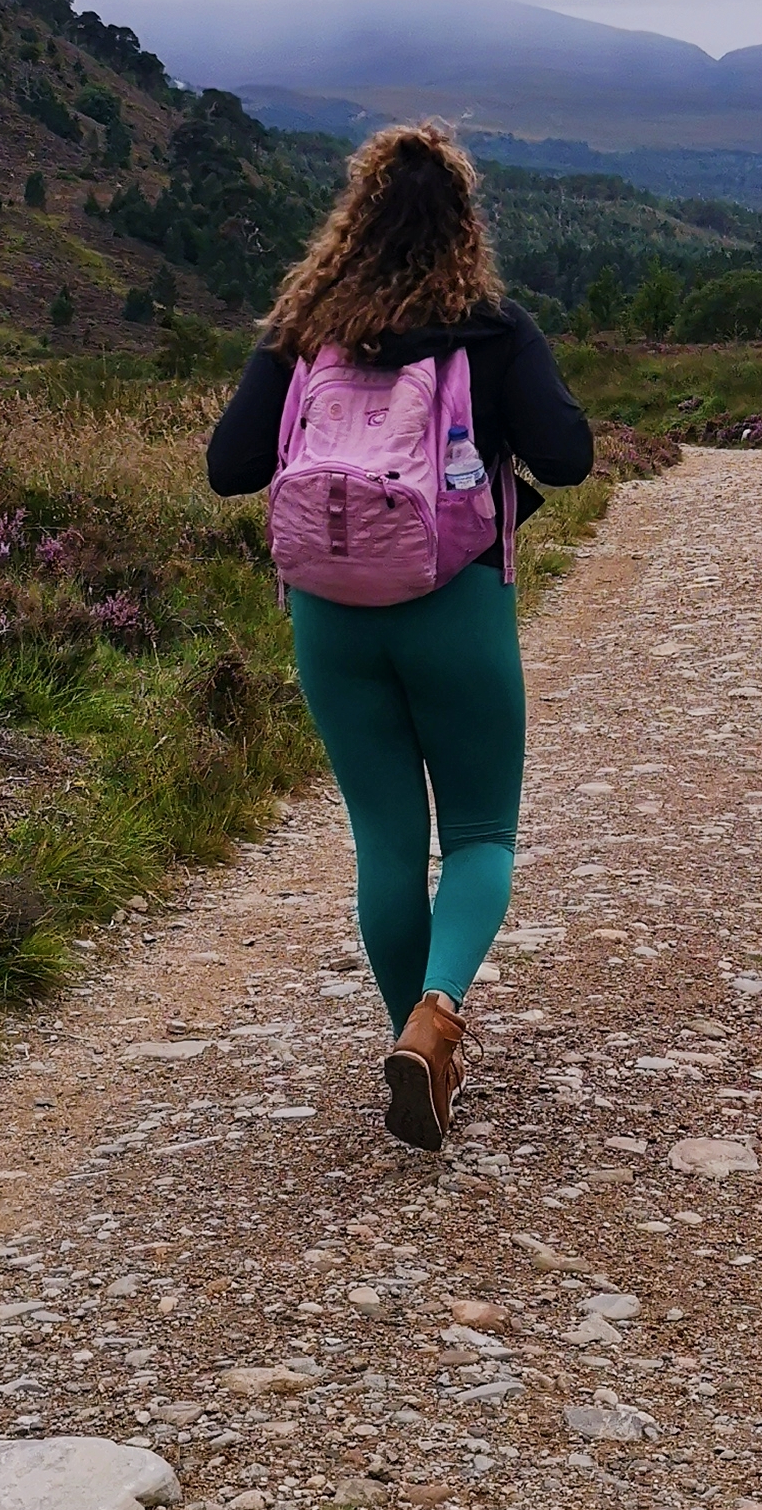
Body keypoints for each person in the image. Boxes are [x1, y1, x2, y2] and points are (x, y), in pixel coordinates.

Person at [207, 122, 592, 1147]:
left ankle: (411, 1042)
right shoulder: (490, 327)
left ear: (352, 222)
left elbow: (229, 467)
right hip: (455, 602)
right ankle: (436, 1019)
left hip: (330, 619)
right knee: (478, 835)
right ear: (464, 223)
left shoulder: (303, 329)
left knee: (385, 842)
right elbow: (571, 455)